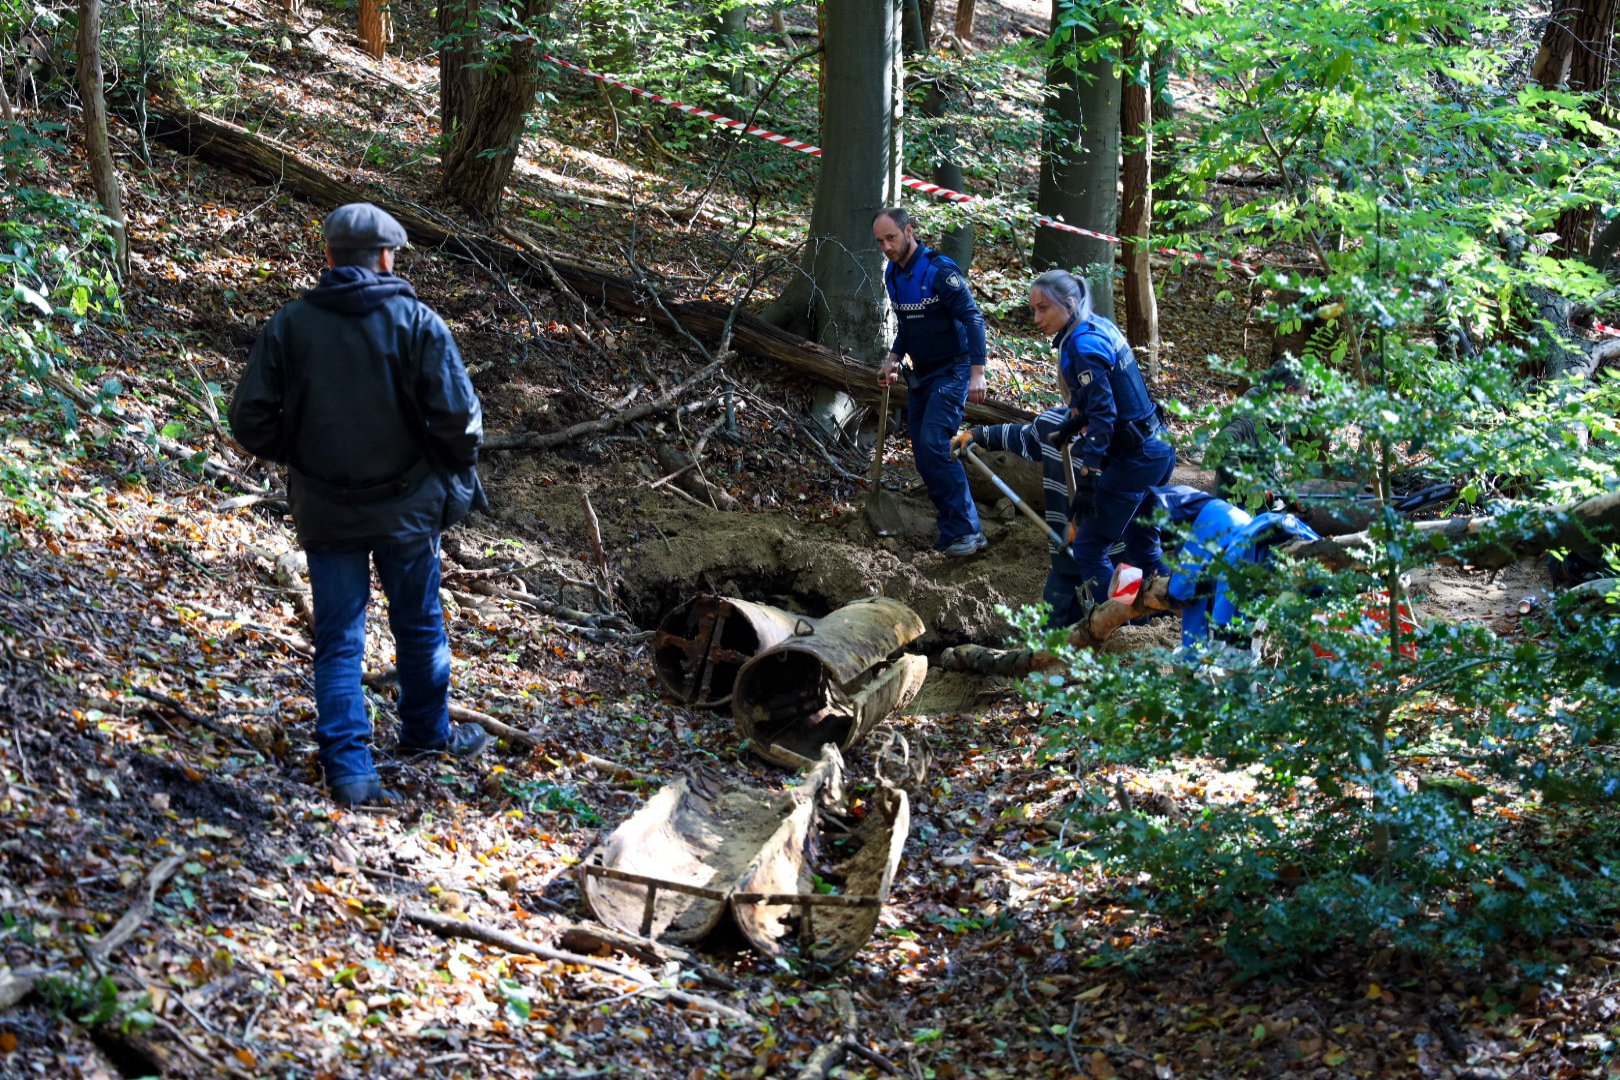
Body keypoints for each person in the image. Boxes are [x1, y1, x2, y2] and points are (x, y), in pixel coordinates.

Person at [229, 202, 490, 807]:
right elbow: (461, 423)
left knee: (340, 638)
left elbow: (249, 420)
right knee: (420, 624)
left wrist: (302, 452)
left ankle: (348, 767)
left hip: (325, 508)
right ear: (385, 257)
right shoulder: (420, 324)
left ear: (328, 258)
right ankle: (427, 736)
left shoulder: (290, 324)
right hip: (406, 510)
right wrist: (439, 469)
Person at [1030, 269, 1177, 606]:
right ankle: (1162, 611)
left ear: (1068, 304)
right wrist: (1068, 427)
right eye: (1034, 310)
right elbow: (1104, 393)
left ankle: (1114, 619)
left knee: (1088, 547)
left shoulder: (1082, 345)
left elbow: (1106, 415)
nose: (1037, 318)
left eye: (1044, 308)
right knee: (1142, 541)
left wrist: (1089, 478)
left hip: (1136, 459)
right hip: (1159, 447)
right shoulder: (1099, 325)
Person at [873, 207, 989, 557]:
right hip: (921, 372)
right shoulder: (892, 274)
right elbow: (907, 326)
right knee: (923, 454)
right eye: (880, 241)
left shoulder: (940, 271)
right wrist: (893, 358)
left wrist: (978, 371)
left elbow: (972, 317)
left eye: (891, 238)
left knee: (936, 443)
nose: (886, 247)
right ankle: (952, 530)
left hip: (954, 369)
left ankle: (970, 531)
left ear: (910, 231)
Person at [948, 408, 1090, 625]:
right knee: (1053, 625)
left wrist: (1081, 522)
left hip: (1107, 559)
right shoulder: (1052, 423)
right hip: (1065, 559)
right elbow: (1022, 437)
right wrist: (978, 434)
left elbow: (1122, 494)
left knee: (1117, 622)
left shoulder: (1116, 439)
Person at [1206, 358, 1309, 507]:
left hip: (1258, 513)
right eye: (1304, 394)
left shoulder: (1276, 419)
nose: (1308, 400)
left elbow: (1270, 476)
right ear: (1289, 391)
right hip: (1234, 516)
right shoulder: (1251, 417)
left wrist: (1290, 500)